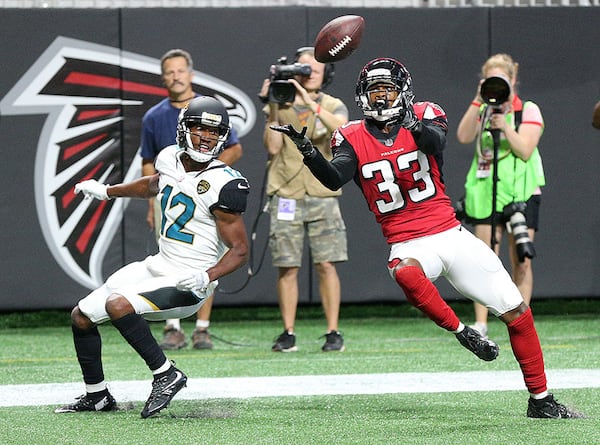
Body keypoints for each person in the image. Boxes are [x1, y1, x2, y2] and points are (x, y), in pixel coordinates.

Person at [271, 57, 581, 418]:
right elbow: (334, 177)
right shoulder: (351, 134)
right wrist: (309, 152)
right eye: (375, 91)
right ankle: (464, 331)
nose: (382, 98)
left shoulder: (425, 112)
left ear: (402, 92)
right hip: (407, 241)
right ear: (363, 97)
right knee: (404, 271)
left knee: (517, 312)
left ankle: (541, 400)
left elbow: (434, 143)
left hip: (449, 232)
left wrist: (409, 121)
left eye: (388, 90)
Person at [56, 97, 250, 418]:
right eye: (199, 128)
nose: (205, 137)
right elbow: (153, 185)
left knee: (118, 304)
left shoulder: (225, 183)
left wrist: (208, 276)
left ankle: (166, 374)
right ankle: (98, 396)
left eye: (214, 132)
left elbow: (240, 250)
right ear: (183, 129)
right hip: (159, 265)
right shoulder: (170, 157)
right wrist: (107, 191)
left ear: (223, 138)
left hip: (190, 282)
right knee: (81, 316)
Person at [141, 48, 243, 351]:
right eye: (170, 72)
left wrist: (204, 172)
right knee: (169, 260)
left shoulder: (208, 109)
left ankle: (202, 327)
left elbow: (235, 149)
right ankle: (173, 326)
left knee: (208, 259)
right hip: (171, 199)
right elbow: (148, 163)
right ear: (163, 78)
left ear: (191, 74)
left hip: (205, 197)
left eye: (180, 70)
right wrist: (151, 202)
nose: (176, 76)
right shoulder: (154, 117)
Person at [258, 47, 349, 352]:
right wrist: (272, 104)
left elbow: (343, 131)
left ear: (326, 74)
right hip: (286, 193)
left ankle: (333, 331)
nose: (310, 73)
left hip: (322, 193)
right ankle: (288, 332)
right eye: (304, 67)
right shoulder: (281, 103)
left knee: (326, 264)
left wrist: (312, 104)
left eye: (316, 68)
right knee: (287, 266)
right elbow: (271, 148)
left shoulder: (334, 104)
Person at [456, 54, 545, 338]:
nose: (496, 87)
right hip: (486, 192)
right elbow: (463, 136)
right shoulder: (482, 110)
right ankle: (481, 322)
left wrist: (505, 125)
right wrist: (477, 99)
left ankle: (521, 319)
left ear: (513, 79)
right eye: (490, 81)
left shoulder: (527, 111)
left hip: (520, 192)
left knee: (521, 259)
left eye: (500, 81)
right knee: (485, 258)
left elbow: (526, 149)